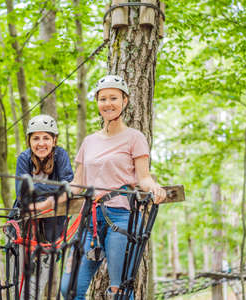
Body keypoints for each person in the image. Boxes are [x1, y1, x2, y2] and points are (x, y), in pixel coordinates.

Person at [36, 75, 166, 299]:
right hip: (91, 222)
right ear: (97, 103)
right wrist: (45, 205)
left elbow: (143, 178)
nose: (108, 103)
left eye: (113, 98)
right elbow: (76, 185)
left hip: (122, 218)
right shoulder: (89, 142)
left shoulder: (134, 138)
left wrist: (154, 186)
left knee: (120, 290)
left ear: (125, 101)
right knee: (69, 288)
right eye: (102, 98)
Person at [11, 114, 74, 299]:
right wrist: (56, 191)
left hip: (51, 231)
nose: (41, 143)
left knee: (37, 283)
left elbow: (69, 186)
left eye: (46, 138)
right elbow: (22, 194)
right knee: (16, 281)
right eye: (36, 138)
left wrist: (37, 188)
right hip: (24, 228)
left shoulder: (60, 155)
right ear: (29, 141)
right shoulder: (24, 158)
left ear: (54, 140)